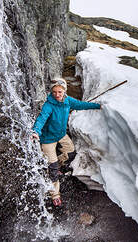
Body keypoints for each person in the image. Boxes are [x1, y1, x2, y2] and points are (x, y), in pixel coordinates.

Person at [30, 77, 101, 206]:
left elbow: (81, 104)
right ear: (51, 92)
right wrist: (36, 131)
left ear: (64, 91)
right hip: (48, 139)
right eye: (55, 92)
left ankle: (57, 165)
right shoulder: (49, 105)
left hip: (61, 135)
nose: (57, 95)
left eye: (60, 92)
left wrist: (97, 106)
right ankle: (55, 194)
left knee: (71, 154)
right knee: (52, 168)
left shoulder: (68, 101)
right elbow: (41, 118)